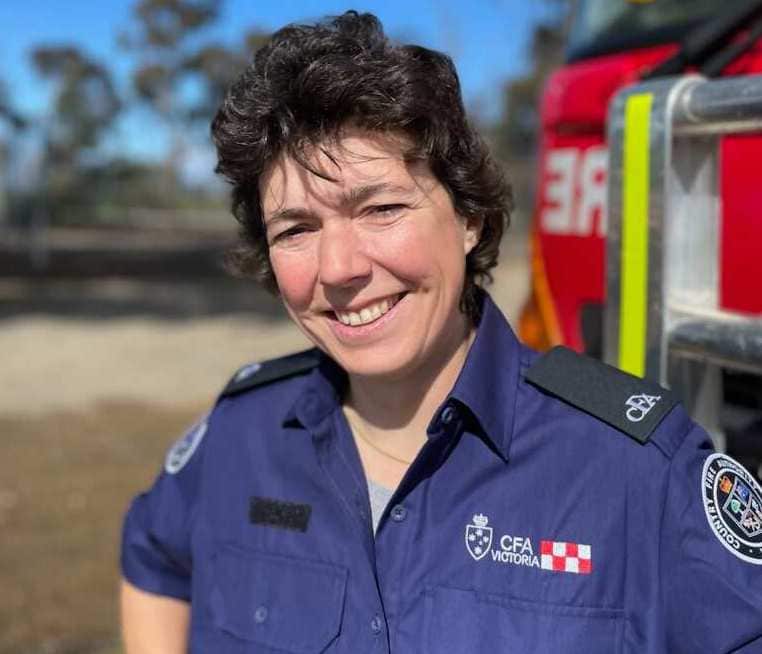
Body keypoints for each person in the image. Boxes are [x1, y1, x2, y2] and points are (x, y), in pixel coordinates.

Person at [120, 10, 762, 653]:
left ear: (469, 218)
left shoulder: (636, 470)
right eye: (296, 229)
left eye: (382, 208)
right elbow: (155, 563)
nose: (339, 268)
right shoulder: (240, 432)